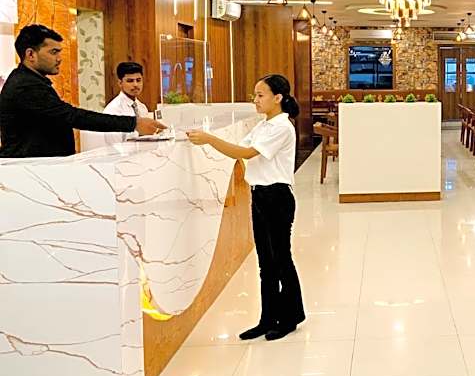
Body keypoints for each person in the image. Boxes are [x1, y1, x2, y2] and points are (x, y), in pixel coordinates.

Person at [186, 73, 304, 341]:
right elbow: (238, 148)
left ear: (278, 98)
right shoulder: (264, 125)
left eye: (260, 95)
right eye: (255, 95)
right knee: (265, 263)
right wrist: (210, 139)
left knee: (281, 259)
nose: (255, 100)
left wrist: (209, 139)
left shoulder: (281, 127)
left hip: (277, 197)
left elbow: (247, 154)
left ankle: (290, 317)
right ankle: (267, 319)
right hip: (260, 196)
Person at [0, 24, 165, 158]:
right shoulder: (25, 86)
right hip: (29, 172)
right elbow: (72, 116)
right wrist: (133, 124)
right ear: (30, 54)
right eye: (53, 52)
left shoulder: (31, 81)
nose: (59, 59)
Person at [83, 61, 151, 150]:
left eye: (138, 80)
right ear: (120, 83)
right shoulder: (113, 111)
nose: (135, 85)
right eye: (130, 81)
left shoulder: (142, 108)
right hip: (122, 157)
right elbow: (114, 147)